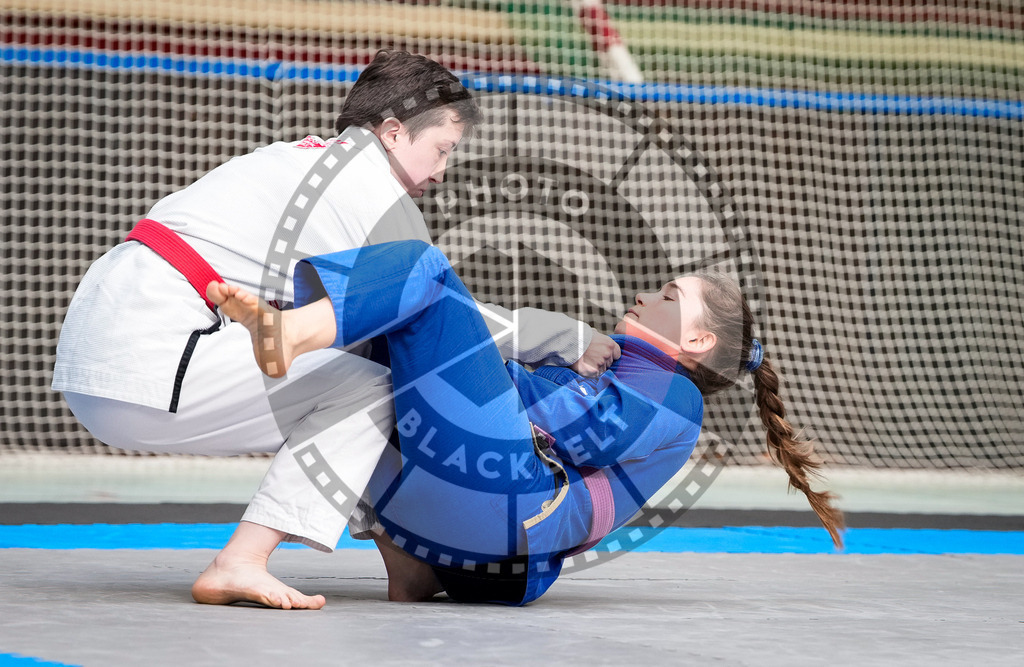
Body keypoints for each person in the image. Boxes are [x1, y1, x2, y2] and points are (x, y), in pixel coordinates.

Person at [52, 50, 620, 610]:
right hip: (151, 358)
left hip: (112, 360)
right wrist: (566, 339)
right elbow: (449, 322)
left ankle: (403, 565)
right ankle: (239, 561)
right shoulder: (367, 190)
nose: (443, 171)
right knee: (376, 385)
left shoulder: (299, 162)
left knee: (363, 361)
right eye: (442, 149)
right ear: (393, 132)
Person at [207, 239, 845, 606]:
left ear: (700, 340)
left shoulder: (675, 394)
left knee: (423, 273)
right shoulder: (626, 370)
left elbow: (572, 429)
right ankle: (415, 565)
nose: (648, 295)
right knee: (376, 353)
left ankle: (290, 325)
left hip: (510, 515)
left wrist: (491, 360)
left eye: (669, 297)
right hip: (491, 558)